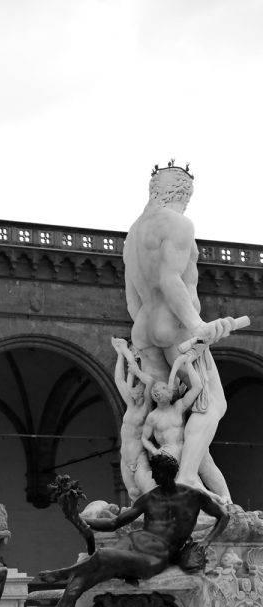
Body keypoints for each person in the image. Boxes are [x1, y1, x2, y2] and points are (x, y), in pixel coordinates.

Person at [30, 453, 229, 607]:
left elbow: (223, 516)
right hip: (132, 543)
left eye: (157, 472)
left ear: (169, 473)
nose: (153, 476)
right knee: (74, 588)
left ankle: (64, 572)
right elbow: (115, 522)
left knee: (104, 556)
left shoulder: (194, 496)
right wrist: (77, 517)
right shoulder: (150, 498)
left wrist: (205, 543)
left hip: (154, 557)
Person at [123, 163, 234, 501]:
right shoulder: (179, 224)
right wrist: (198, 325)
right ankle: (185, 477)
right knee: (212, 405)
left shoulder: (133, 235)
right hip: (176, 327)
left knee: (163, 420)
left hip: (143, 326)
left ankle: (157, 492)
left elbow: (132, 298)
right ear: (184, 193)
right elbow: (171, 280)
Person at [111, 337, 155, 500]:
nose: (133, 390)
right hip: (125, 458)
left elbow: (150, 381)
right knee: (133, 495)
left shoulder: (145, 408)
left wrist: (137, 372)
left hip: (139, 459)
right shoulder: (130, 405)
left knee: (148, 494)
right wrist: (120, 355)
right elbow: (119, 380)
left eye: (137, 387)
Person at [141, 353, 203, 467]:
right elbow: (144, 438)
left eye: (166, 387)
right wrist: (154, 451)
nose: (168, 389)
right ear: (156, 394)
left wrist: (188, 363)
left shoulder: (178, 406)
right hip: (167, 458)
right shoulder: (153, 417)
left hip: (186, 455)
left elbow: (197, 387)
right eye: (163, 388)